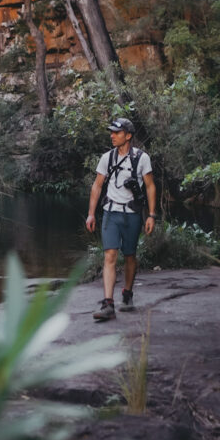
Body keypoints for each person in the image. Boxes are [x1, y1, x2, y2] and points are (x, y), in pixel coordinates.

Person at [85, 117, 156, 321]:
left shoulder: (142, 158)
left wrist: (151, 215)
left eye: (117, 132)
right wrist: (91, 213)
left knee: (130, 256)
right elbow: (97, 185)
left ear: (128, 136)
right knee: (109, 255)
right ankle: (108, 303)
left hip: (132, 214)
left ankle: (127, 293)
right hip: (111, 213)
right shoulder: (107, 158)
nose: (112, 136)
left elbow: (150, 186)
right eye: (112, 132)